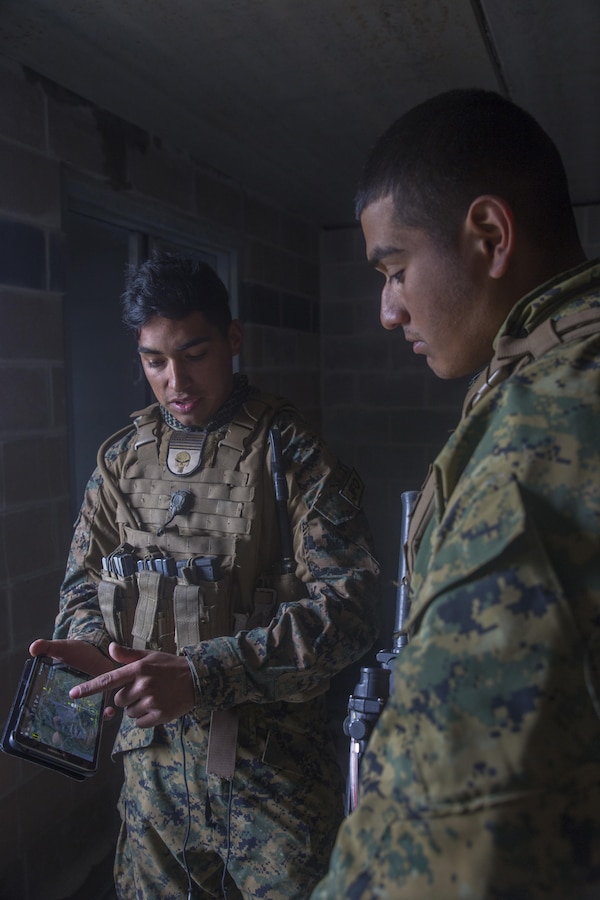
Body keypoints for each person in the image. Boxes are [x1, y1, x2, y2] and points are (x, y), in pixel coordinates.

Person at [311, 89, 600, 899]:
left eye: (397, 269)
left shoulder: (542, 433)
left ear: (489, 236)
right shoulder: (546, 372)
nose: (386, 308)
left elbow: (446, 840)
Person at [30, 253, 380, 899]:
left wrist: (202, 675)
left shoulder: (292, 453)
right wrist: (90, 650)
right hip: (154, 774)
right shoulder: (121, 459)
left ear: (233, 339)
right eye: (154, 360)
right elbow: (81, 582)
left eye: (193, 352)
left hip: (273, 775)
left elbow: (349, 610)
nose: (174, 380)